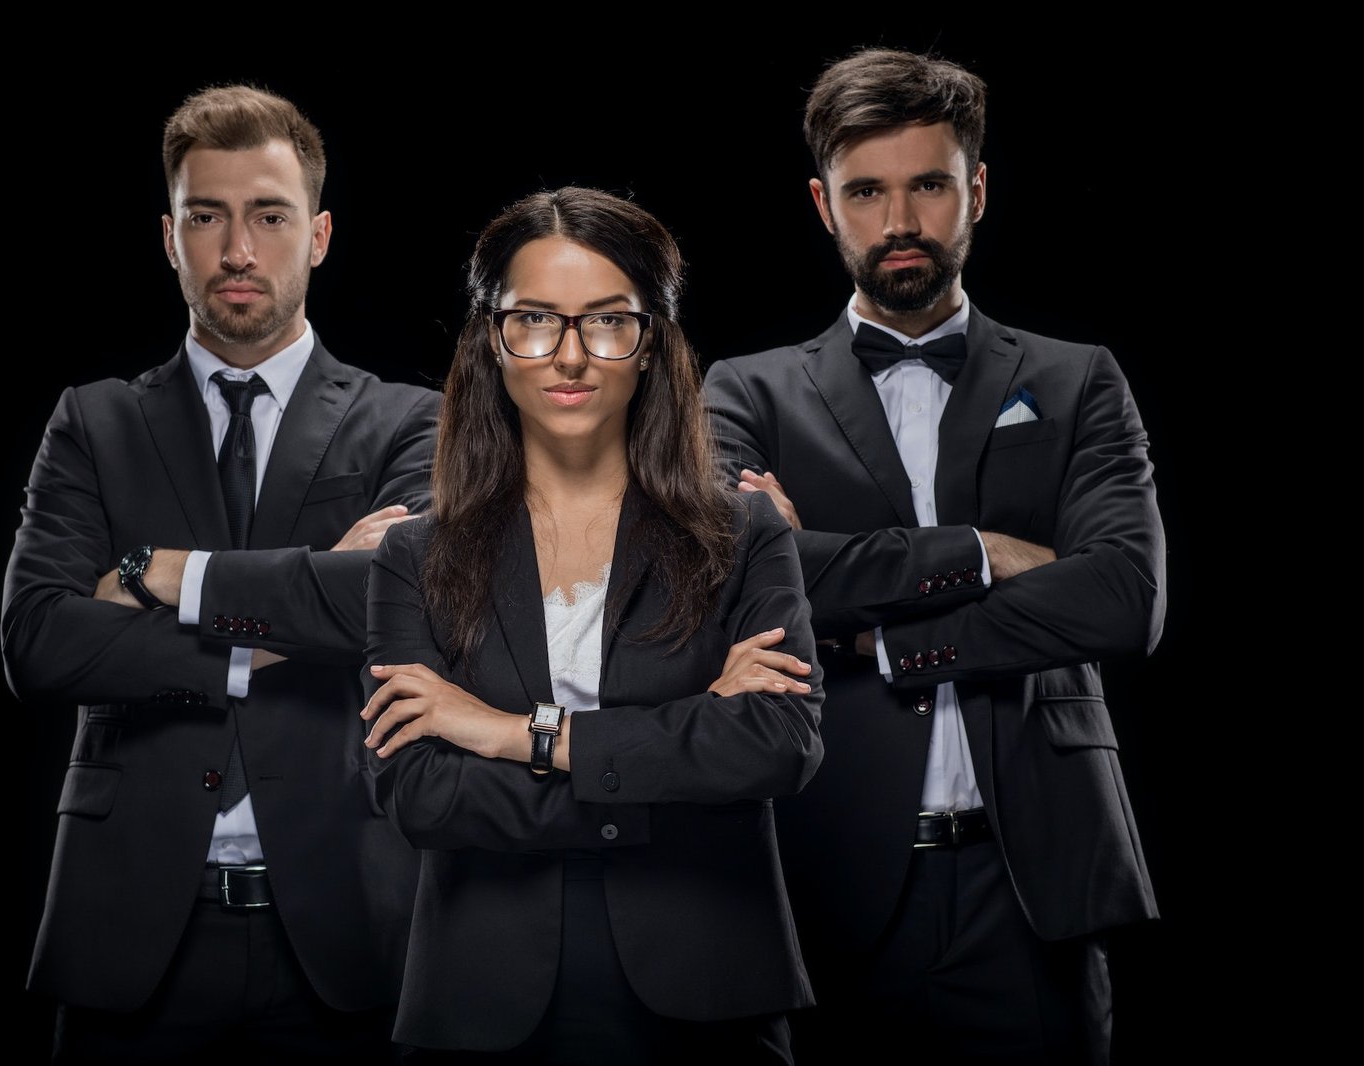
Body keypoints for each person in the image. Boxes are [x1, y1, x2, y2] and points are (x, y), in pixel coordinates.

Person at [705, 48, 1165, 1063]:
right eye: (865, 191)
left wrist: (884, 643)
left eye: (927, 185)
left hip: (1035, 877)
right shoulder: (743, 394)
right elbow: (742, 586)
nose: (899, 220)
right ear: (824, 205)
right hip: (826, 865)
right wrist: (983, 552)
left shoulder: (1076, 379)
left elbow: (1124, 597)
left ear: (977, 191)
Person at [1, 84, 438, 1061]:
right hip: (129, 932)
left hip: (347, 927)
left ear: (319, 235)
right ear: (169, 236)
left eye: (269, 216)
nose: (238, 250)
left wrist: (158, 575)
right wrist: (282, 624)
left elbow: (391, 605)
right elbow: (38, 641)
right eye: (207, 217)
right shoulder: (95, 421)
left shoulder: (410, 424)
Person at [360, 187, 823, 1063]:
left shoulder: (743, 532)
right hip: (481, 993)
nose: (570, 356)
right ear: (491, 342)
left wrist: (506, 733)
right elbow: (416, 793)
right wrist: (669, 767)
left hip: (710, 982)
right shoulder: (412, 554)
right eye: (534, 319)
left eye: (608, 321)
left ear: (652, 344)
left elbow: (776, 744)